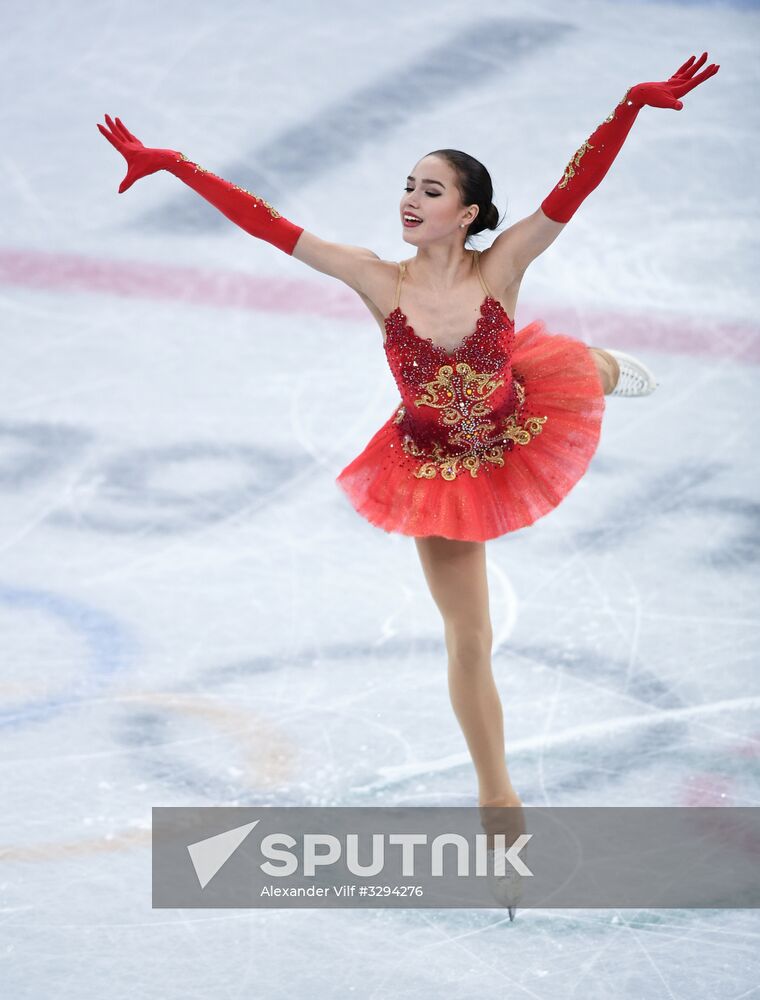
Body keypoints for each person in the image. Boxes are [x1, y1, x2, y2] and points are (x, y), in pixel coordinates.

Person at [97, 52, 719, 918]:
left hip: (516, 422)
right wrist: (173, 164)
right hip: (439, 467)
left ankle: (604, 366)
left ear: (466, 212)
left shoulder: (500, 266)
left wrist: (629, 106)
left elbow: (574, 190)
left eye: (430, 190)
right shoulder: (373, 277)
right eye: (407, 185)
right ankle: (499, 807)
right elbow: (268, 224)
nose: (410, 199)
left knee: (567, 367)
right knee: (469, 642)